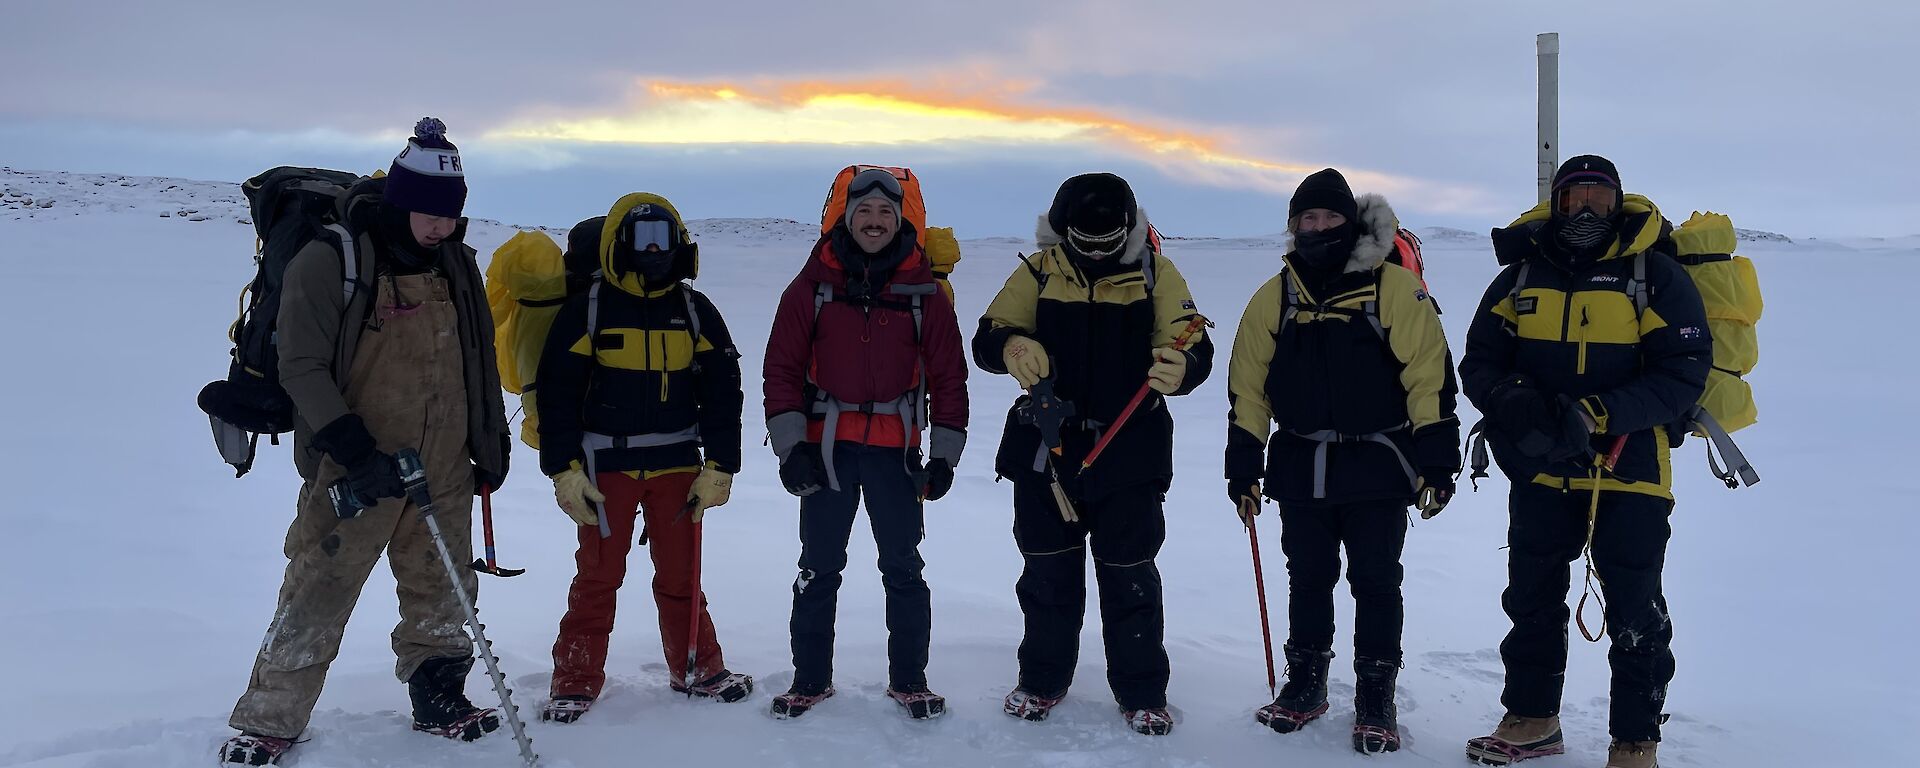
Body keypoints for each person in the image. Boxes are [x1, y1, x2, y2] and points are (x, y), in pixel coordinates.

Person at [220, 119, 511, 766]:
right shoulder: (335, 258)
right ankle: (271, 716)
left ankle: (440, 695)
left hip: (443, 460)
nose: (441, 227)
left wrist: (488, 442)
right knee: (319, 584)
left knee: (444, 586)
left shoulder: (455, 264)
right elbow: (301, 364)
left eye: (451, 215)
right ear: (402, 200)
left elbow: (477, 358)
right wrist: (353, 449)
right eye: (428, 213)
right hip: (356, 463)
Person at [1458, 155, 1710, 768]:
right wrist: (1509, 399)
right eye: (1575, 200)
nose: (1587, 212)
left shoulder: (1655, 276)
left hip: (1632, 469)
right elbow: (1479, 360)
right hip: (1540, 465)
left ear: (1617, 202)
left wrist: (1598, 411)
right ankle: (1532, 718)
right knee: (1532, 598)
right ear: (1558, 203)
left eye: (1599, 199)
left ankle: (1634, 742)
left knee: (1634, 608)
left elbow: (1683, 374)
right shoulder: (1521, 276)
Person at [1224, 169, 1459, 753]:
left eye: (1330, 218)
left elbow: (1429, 377)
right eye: (1308, 219)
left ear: (1350, 224)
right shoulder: (1274, 296)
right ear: (1293, 226)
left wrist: (1437, 461)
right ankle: (1305, 684)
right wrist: (1243, 465)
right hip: (1300, 463)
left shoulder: (1394, 290)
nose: (1319, 227)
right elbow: (1248, 388)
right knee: (1307, 578)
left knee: (1376, 582)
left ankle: (1376, 696)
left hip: (1378, 465)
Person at [973, 172, 1213, 736]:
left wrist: (1185, 367)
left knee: (1130, 573)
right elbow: (987, 336)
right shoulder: (1037, 271)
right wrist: (1011, 343)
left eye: (1111, 236)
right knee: (1047, 573)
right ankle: (1042, 679)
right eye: (1087, 235)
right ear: (1064, 227)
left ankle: (1141, 689)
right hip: (1045, 446)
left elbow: (1190, 336)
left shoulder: (1156, 273)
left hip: (1129, 448)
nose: (1099, 246)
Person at [762, 168, 969, 720]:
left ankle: (910, 681)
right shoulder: (812, 287)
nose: (874, 222)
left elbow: (950, 378)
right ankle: (809, 680)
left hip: (896, 455)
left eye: (885, 213)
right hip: (826, 451)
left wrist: (944, 457)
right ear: (844, 218)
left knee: (903, 568)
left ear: (901, 220)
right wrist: (791, 448)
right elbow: (780, 369)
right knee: (818, 567)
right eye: (864, 212)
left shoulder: (924, 293)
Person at [536, 193, 752, 723]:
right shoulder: (587, 309)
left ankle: (698, 667)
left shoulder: (695, 311)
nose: (654, 250)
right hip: (603, 469)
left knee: (682, 575)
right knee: (598, 576)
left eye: (664, 239)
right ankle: (576, 680)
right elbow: (557, 392)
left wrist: (720, 465)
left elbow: (725, 392)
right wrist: (563, 469)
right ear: (620, 246)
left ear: (679, 244)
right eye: (642, 239)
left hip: (679, 467)